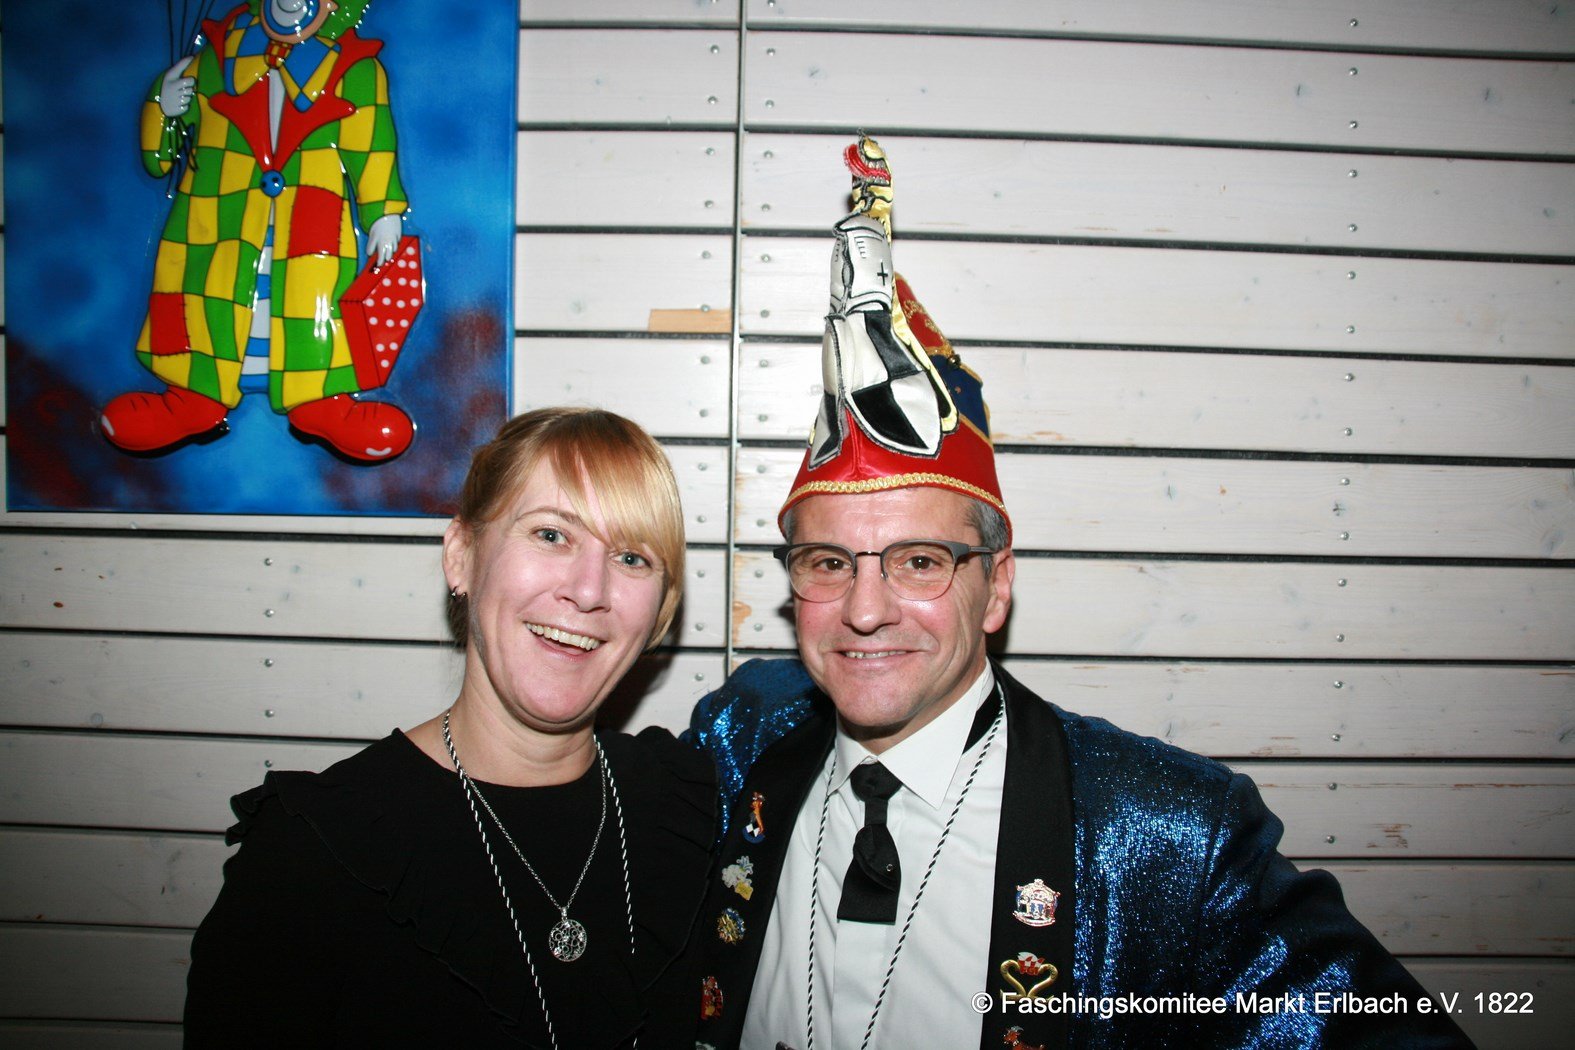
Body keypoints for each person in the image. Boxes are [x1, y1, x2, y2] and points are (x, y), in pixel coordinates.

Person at [686, 138, 1474, 1049]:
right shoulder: (743, 737)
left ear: (995, 586)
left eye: (919, 561)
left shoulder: (1168, 834)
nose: (864, 609)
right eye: (828, 562)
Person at [185, 407, 715, 1047]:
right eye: (551, 534)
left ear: (661, 610)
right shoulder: (316, 856)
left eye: (631, 557)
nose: (587, 590)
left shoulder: (687, 807)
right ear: (461, 556)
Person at [101, 0, 415, 461]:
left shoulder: (355, 69)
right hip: (215, 218)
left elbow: (370, 144)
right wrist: (163, 107)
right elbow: (162, 158)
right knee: (204, 304)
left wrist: (384, 211)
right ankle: (193, 398)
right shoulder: (216, 58)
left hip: (313, 220)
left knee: (313, 309)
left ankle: (320, 401)